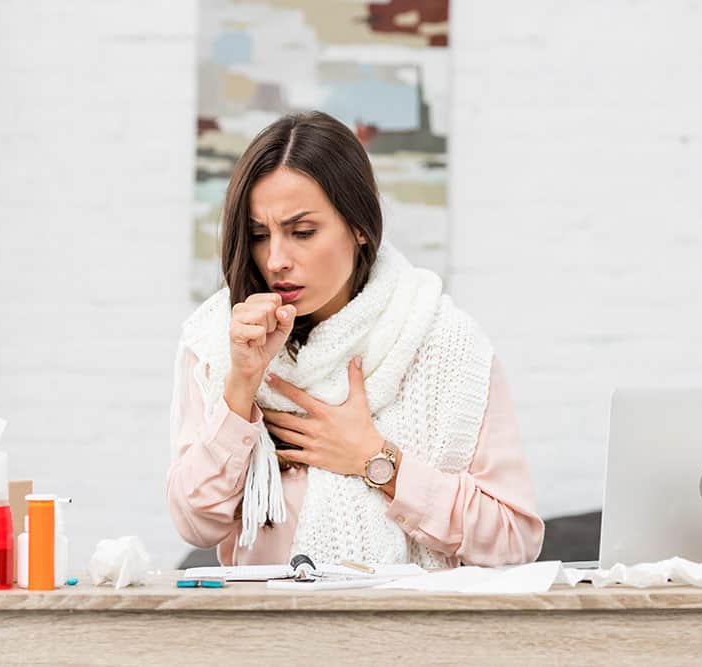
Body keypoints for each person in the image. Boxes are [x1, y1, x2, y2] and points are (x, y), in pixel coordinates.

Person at [168, 111, 543, 567]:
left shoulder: (443, 344)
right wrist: (241, 383)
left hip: (409, 632)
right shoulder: (217, 342)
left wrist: (374, 459)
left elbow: (512, 539)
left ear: (360, 227)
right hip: (263, 632)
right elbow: (197, 524)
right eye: (259, 235)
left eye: (302, 232)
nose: (277, 259)